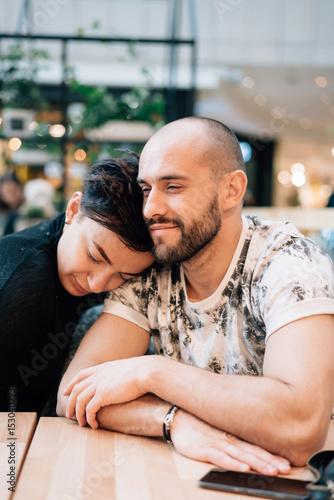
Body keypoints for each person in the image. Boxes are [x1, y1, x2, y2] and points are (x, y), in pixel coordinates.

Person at [57, 117, 334, 476]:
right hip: (197, 474)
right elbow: (74, 393)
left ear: (231, 190)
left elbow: (300, 429)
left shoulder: (289, 263)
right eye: (146, 189)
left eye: (173, 186)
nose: (150, 208)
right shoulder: (153, 269)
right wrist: (171, 421)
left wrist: (153, 372)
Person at [0, 155, 154, 413]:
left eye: (123, 277)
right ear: (73, 210)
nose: (97, 284)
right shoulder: (23, 284)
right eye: (94, 256)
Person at [0, 171, 25, 236]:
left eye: (15, 191)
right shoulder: (2, 215)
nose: (12, 195)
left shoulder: (26, 210)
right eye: (8, 191)